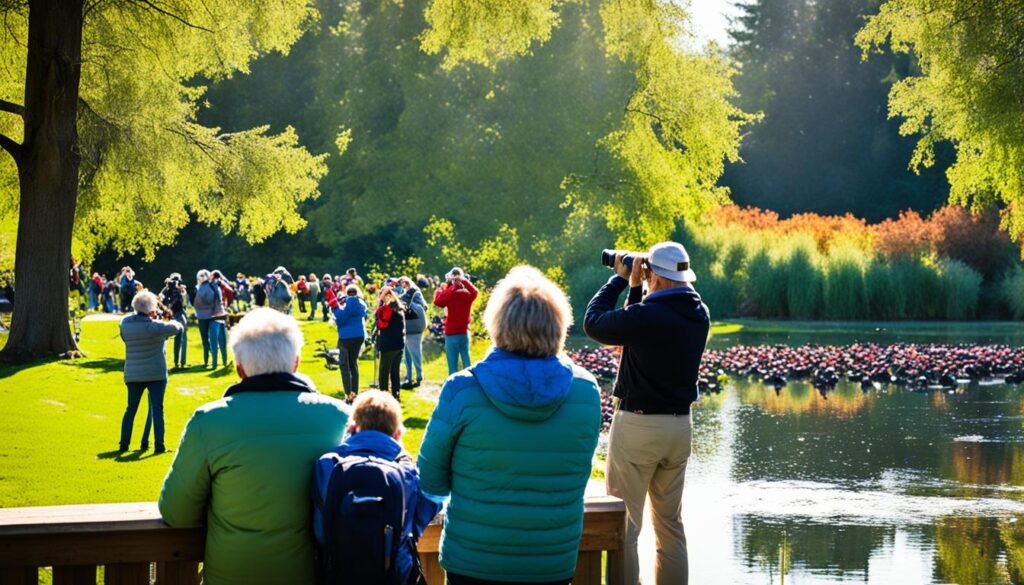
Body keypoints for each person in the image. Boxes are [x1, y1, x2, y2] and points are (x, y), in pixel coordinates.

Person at [418, 266, 602, 584]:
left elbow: (430, 480)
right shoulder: (584, 392)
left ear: (497, 323)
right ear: (558, 324)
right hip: (550, 559)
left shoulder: (463, 389)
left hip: (474, 559)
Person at [159, 308, 350, 585]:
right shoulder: (339, 417)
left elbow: (177, 512)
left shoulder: (209, 422)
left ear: (239, 369)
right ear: (296, 363)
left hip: (231, 574)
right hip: (309, 574)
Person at [583, 242, 710, 585]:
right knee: (670, 525)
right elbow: (633, 329)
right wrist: (640, 286)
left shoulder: (649, 316)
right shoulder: (699, 314)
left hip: (639, 426)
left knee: (625, 525)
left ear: (656, 274)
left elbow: (595, 323)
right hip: (679, 427)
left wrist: (620, 280)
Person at [312, 391, 441, 585]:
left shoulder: (327, 465)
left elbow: (320, 530)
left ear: (352, 427)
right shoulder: (406, 471)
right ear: (398, 434)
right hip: (394, 576)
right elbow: (420, 516)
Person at [119, 290, 182, 453]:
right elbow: (176, 327)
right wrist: (167, 318)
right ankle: (159, 445)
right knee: (157, 409)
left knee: (130, 409)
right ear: (151, 309)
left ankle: (124, 444)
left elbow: (124, 328)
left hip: (133, 373)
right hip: (155, 372)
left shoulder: (125, 324)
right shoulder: (155, 326)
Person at [432, 267, 478, 374]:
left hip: (451, 333)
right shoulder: (468, 294)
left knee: (452, 366)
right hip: (464, 332)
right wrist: (464, 281)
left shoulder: (450, 293)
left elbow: (437, 301)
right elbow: (475, 291)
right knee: (466, 361)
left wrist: (443, 288)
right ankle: (469, 383)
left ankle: (453, 386)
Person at [332, 284, 368, 400]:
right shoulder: (362, 304)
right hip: (358, 335)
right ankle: (354, 393)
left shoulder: (345, 304)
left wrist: (335, 308)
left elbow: (339, 318)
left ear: (347, 293)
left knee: (344, 365)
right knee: (353, 364)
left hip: (345, 337)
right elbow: (364, 315)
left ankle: (347, 394)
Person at [374, 285, 406, 400]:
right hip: (398, 344)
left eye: (382, 294)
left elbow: (379, 318)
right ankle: (396, 395)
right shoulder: (399, 307)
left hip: (388, 344)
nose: (380, 297)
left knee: (384, 373)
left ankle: (383, 397)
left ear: (387, 296)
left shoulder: (387, 309)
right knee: (394, 372)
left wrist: (382, 298)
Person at [398, 276, 426, 389]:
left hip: (414, 328)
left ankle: (418, 376)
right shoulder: (408, 293)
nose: (400, 285)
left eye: (401, 283)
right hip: (408, 327)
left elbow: (421, 307)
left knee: (415, 353)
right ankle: (409, 377)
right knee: (407, 355)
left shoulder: (415, 293)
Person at [159, 273, 189, 369]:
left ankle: (166, 362)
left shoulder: (166, 289)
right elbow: (185, 303)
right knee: (183, 339)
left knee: (165, 339)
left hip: (169, 315)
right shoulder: (180, 289)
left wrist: (165, 309)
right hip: (179, 314)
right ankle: (182, 363)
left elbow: (159, 299)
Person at [192, 269, 217, 368]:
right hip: (211, 315)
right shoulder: (212, 287)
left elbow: (195, 302)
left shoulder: (199, 288)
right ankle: (211, 361)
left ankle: (206, 361)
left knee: (205, 339)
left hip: (203, 316)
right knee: (211, 339)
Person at [209, 270, 231, 367]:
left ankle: (214, 363)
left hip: (214, 314)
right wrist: (227, 304)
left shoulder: (213, 285)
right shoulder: (222, 284)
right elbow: (231, 292)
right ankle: (225, 362)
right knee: (223, 340)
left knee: (214, 341)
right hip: (223, 312)